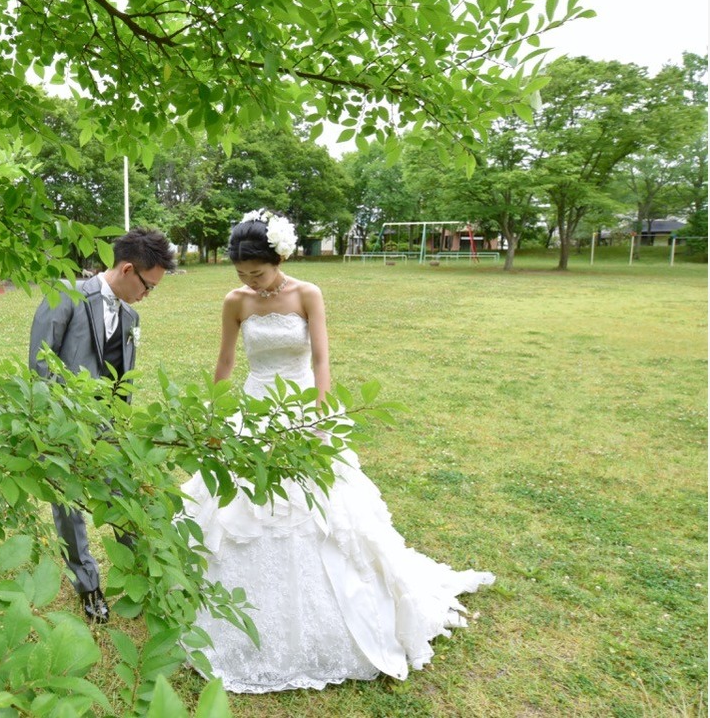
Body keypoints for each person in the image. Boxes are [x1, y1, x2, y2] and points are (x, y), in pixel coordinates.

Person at [181, 211, 494, 692]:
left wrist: (321, 419)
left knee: (320, 511)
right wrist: (214, 416)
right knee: (239, 507)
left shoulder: (308, 294)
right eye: (242, 275)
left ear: (280, 258)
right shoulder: (235, 301)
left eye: (257, 273)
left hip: (302, 406)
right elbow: (225, 360)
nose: (250, 282)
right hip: (255, 405)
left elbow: (323, 359)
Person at [29, 227, 177, 624]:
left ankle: (139, 576)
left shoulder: (132, 315)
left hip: (110, 430)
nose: (148, 295)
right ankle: (87, 584)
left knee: (122, 499)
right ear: (128, 269)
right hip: (64, 426)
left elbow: (122, 380)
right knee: (69, 507)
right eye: (148, 286)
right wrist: (52, 428)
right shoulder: (67, 294)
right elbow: (41, 367)